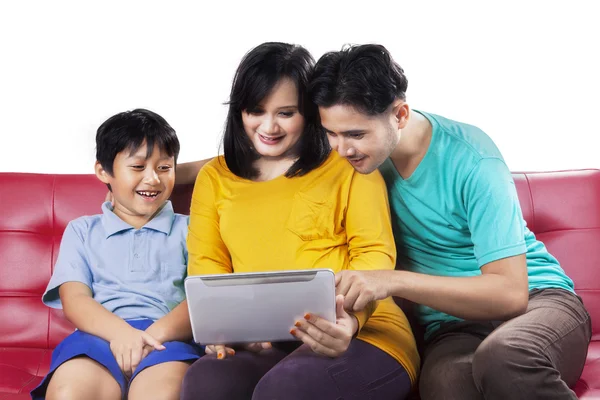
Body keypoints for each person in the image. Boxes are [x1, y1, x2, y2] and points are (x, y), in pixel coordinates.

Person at [309, 44, 592, 400]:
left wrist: (392, 281)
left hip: (541, 302)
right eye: (330, 133)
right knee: (445, 384)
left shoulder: (473, 158)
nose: (341, 149)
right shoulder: (352, 167)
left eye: (355, 134)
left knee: (505, 356)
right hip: (452, 327)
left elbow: (510, 294)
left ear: (399, 115)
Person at [180, 42, 419, 400]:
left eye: (286, 113)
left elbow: (373, 256)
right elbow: (207, 266)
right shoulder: (215, 177)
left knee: (284, 390)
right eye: (255, 110)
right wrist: (225, 328)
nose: (268, 126)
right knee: (207, 383)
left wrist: (349, 321)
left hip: (364, 332)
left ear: (310, 113)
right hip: (264, 340)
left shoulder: (350, 164)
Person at [31, 109, 202, 400]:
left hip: (166, 341)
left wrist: (150, 337)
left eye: (164, 168)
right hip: (97, 340)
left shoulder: (190, 229)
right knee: (68, 392)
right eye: (137, 167)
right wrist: (122, 335)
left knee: (162, 395)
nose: (153, 180)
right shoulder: (83, 230)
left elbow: (200, 299)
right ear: (103, 171)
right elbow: (75, 300)